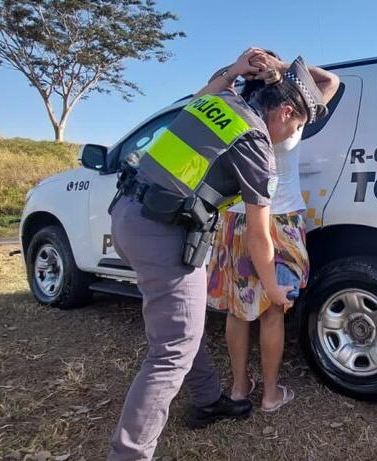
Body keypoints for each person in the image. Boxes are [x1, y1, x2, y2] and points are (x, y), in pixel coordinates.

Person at [106, 48, 331, 460]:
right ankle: (129, 453)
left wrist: (233, 69)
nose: (292, 133)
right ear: (283, 112)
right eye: (296, 124)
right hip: (162, 234)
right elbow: (261, 238)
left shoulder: (220, 100)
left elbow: (201, 95)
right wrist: (275, 292)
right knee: (172, 350)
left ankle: (209, 399)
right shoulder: (256, 145)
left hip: (127, 214)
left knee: (183, 324)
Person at [207, 52, 340, 412]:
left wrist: (234, 68)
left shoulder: (237, 112)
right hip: (282, 222)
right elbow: (331, 82)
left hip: (236, 220)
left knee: (237, 311)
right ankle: (269, 394)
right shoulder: (292, 113)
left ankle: (238, 389)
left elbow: (204, 96)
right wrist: (285, 68)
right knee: (272, 311)